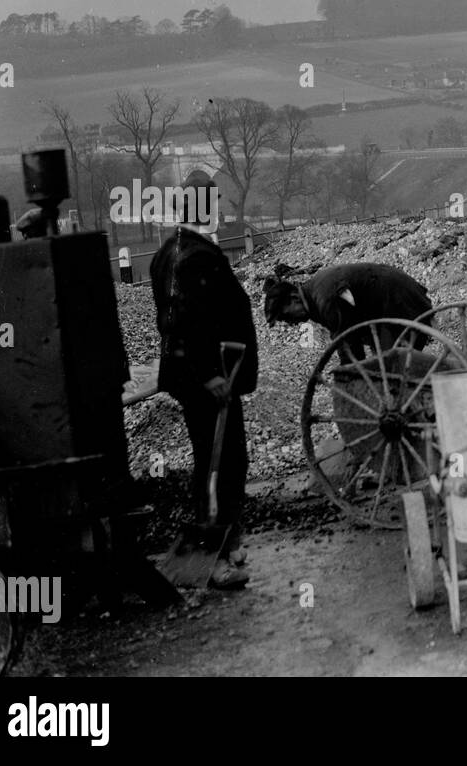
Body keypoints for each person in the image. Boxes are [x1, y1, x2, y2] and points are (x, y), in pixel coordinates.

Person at [151, 171, 258, 590]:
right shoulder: (191, 257)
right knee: (219, 466)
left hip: (202, 377)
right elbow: (183, 323)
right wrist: (210, 374)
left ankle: (227, 545)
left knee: (223, 461)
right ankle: (212, 561)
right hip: (208, 379)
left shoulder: (171, 251)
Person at [263, 262, 433, 361]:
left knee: (393, 366)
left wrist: (349, 374)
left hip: (401, 304)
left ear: (294, 298)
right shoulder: (314, 292)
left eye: (285, 316)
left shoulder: (324, 299)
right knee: (384, 367)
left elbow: (347, 340)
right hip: (387, 308)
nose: (290, 323)